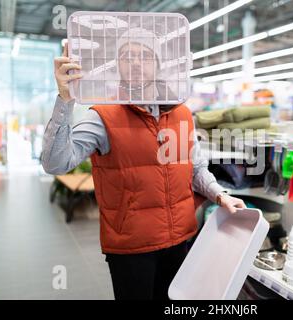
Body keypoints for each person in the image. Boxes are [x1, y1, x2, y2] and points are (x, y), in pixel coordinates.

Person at [41, 28, 246, 300]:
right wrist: (65, 99)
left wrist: (220, 196)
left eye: (144, 56)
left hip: (180, 240)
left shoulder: (183, 113)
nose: (136, 62)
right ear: (118, 66)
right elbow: (55, 163)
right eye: (127, 56)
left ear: (159, 65)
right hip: (131, 248)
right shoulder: (102, 116)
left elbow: (195, 169)